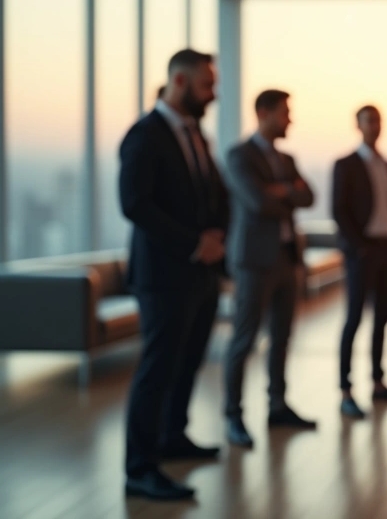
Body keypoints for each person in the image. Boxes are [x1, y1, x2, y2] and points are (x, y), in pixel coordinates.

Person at [119, 49, 229, 500]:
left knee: (188, 362)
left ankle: (172, 436)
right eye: (207, 85)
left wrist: (218, 238)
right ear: (179, 82)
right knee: (157, 370)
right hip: (163, 276)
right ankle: (140, 469)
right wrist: (193, 243)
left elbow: (214, 192)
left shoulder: (195, 134)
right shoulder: (145, 135)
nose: (213, 94)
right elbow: (134, 204)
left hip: (201, 274)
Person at [222, 89, 317, 449]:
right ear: (263, 113)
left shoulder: (286, 159)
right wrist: (287, 192)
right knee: (243, 339)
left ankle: (277, 406)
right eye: (284, 113)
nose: (290, 119)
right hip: (253, 261)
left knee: (282, 337)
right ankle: (233, 416)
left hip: (286, 258)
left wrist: (280, 190)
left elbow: (309, 197)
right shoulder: (239, 155)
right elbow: (257, 202)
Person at [333, 105, 387, 418]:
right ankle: (345, 391)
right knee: (353, 319)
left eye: (378, 121)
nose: (374, 126)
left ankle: (378, 383)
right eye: (369, 121)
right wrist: (359, 247)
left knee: (382, 319)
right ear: (358, 125)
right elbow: (339, 210)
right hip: (363, 252)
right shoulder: (346, 165)